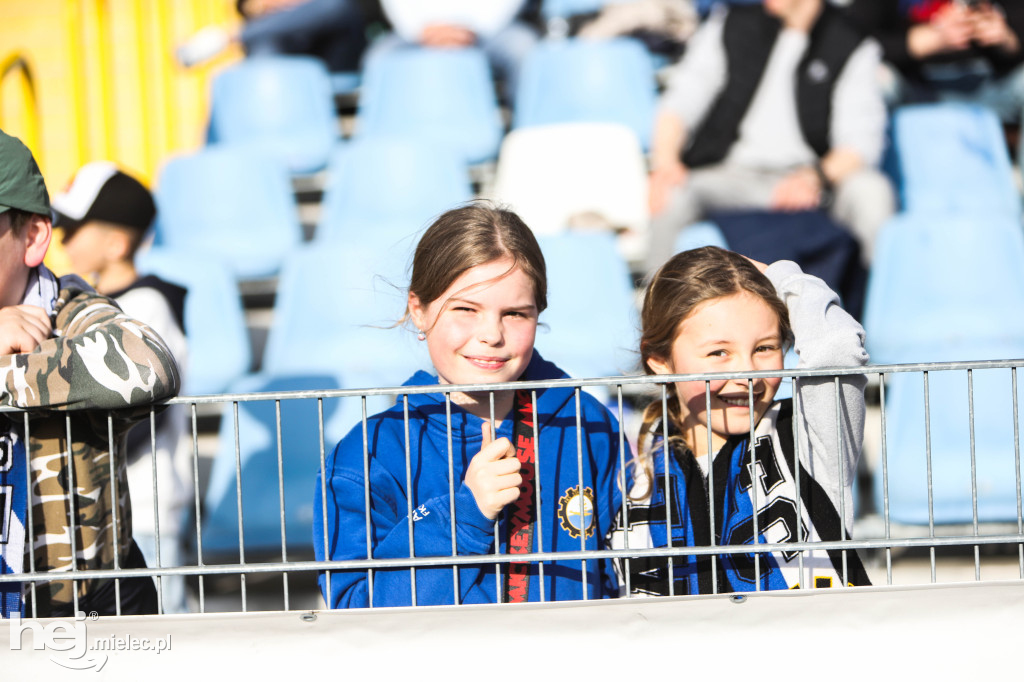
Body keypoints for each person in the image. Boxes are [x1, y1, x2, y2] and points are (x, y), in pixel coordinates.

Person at [314, 202, 622, 608]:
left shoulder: (586, 424)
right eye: (465, 309)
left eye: (514, 314)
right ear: (418, 310)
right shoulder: (366, 457)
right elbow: (357, 611)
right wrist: (464, 515)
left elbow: (622, 579)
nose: (491, 334)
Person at [609, 246, 871, 595]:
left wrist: (781, 276)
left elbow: (837, 347)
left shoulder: (809, 435)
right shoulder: (625, 466)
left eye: (764, 348)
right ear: (659, 360)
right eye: (719, 353)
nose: (747, 375)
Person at [0, 130, 181, 617]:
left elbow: (148, 367)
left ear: (34, 236)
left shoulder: (69, 309)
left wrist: (5, 376)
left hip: (86, 613)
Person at [644, 0, 895, 274]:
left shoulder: (851, 42)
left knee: (872, 192)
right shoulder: (731, 23)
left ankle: (875, 307)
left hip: (811, 183)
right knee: (670, 193)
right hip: (730, 175)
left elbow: (861, 142)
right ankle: (654, 307)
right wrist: (666, 161)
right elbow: (681, 102)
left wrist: (814, 177)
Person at [52, 161, 193, 614]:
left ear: (116, 243)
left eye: (73, 229)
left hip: (143, 507)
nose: (61, 239)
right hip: (105, 512)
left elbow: (137, 404)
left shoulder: (145, 306)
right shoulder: (83, 309)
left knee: (164, 636)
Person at [843, 0, 1024, 124]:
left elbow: (1016, 38)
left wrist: (1005, 38)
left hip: (988, 87)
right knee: (874, 81)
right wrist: (930, 39)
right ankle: (860, 173)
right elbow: (851, 41)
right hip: (912, 88)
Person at [366, 0, 540, 103]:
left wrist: (474, 27)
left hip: (489, 30)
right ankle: (389, 140)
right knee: (379, 58)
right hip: (420, 31)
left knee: (524, 48)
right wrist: (419, 29)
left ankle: (525, 133)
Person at [176, 0, 378, 75]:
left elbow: (333, 9)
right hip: (289, 67)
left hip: (341, 61)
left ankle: (228, 37)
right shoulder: (270, 36)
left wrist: (233, 35)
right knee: (264, 46)